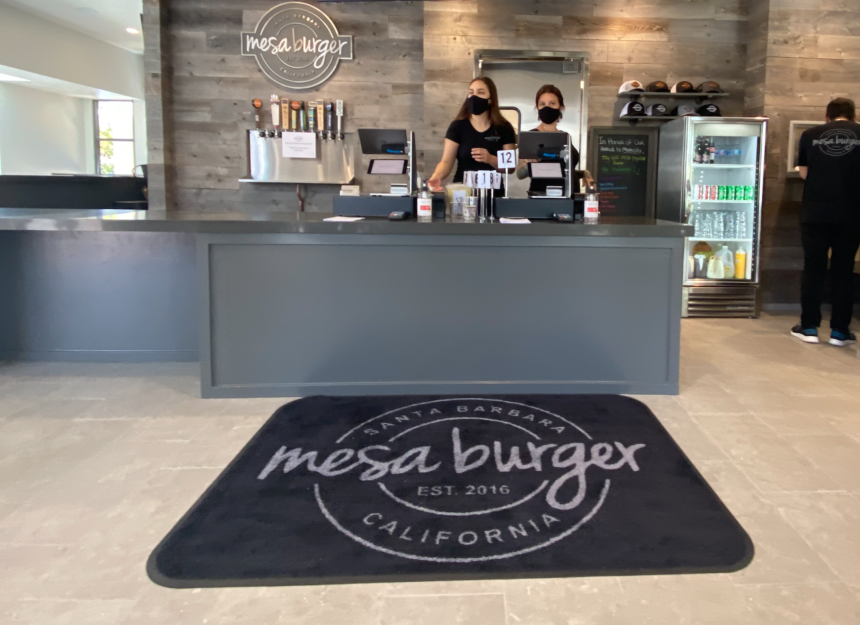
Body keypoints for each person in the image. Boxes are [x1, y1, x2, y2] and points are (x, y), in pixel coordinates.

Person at [791, 97, 860, 346]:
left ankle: (809, 327)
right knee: (844, 269)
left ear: (826, 115)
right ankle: (839, 331)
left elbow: (804, 173)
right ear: (853, 115)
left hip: (816, 212)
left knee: (814, 267)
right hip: (852, 213)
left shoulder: (810, 134)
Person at [427, 77, 517, 191]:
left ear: (491, 99)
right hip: (463, 193)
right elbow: (446, 162)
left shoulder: (504, 128)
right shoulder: (457, 126)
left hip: (493, 193)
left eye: (481, 92)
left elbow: (510, 168)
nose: (474, 97)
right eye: (471, 92)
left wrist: (491, 159)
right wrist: (435, 178)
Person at [516, 85, 585, 195]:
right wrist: (527, 165)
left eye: (552, 103)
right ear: (537, 108)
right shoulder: (531, 136)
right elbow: (519, 174)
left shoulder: (565, 136)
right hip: (543, 197)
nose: (546, 108)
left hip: (569, 197)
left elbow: (563, 169)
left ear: (560, 107)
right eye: (542, 104)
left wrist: (584, 173)